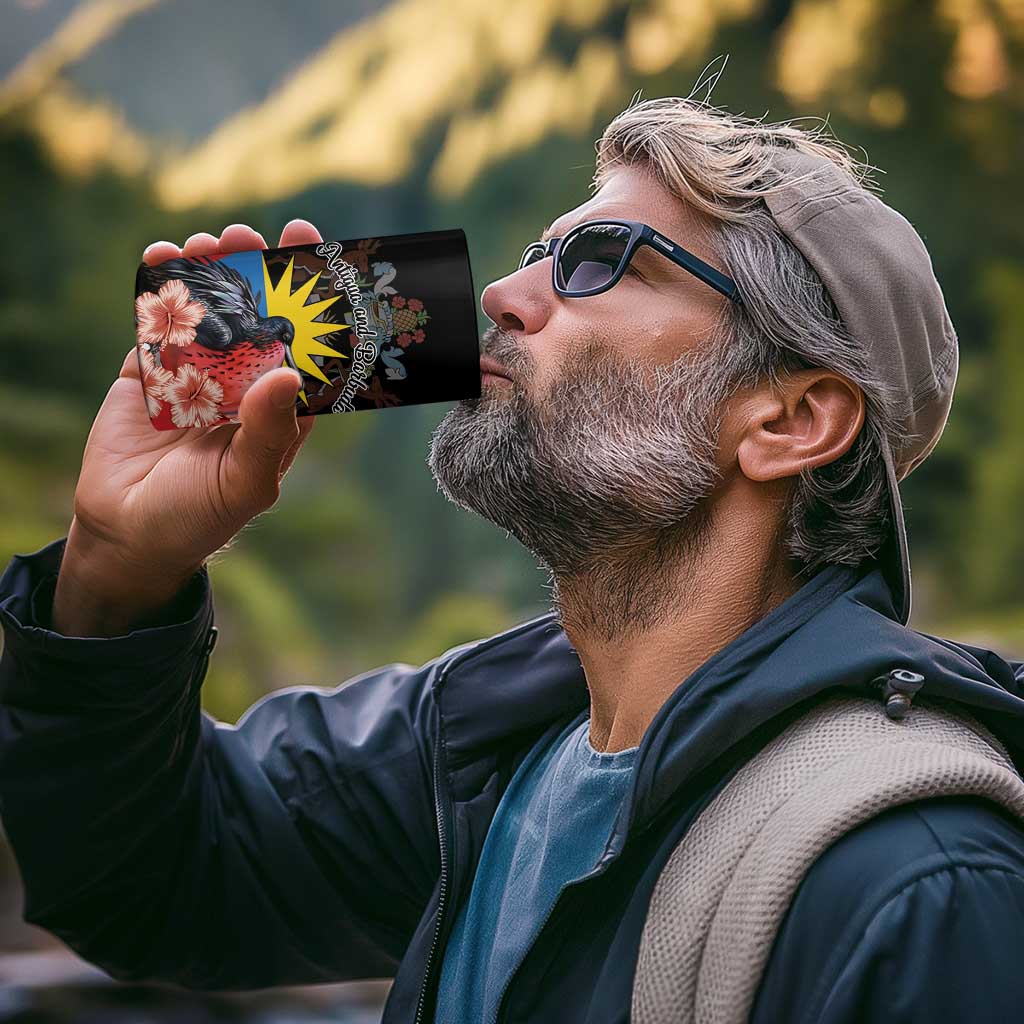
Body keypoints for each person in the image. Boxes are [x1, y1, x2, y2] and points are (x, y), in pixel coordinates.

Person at [2, 93, 1024, 1024]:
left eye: (599, 261)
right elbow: (148, 880)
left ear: (791, 419)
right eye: (540, 252)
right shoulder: (480, 747)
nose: (500, 291)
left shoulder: (918, 884)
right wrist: (115, 571)